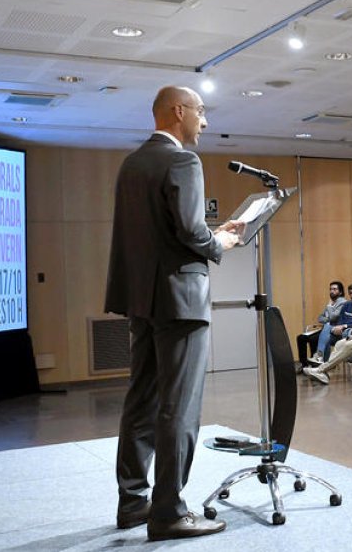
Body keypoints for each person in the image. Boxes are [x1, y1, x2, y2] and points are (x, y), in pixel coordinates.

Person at [106, 85, 243, 540]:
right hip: (181, 302)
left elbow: (160, 231)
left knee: (141, 398)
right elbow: (188, 231)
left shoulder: (132, 163)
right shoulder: (184, 160)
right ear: (178, 111)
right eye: (201, 112)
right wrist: (219, 241)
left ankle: (133, 503)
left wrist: (206, 232)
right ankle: (168, 511)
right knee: (179, 408)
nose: (204, 122)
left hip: (141, 298)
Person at [296, 281, 347, 371]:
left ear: (340, 292)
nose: (331, 291)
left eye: (334, 289)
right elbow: (320, 318)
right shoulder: (331, 303)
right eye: (330, 289)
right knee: (301, 338)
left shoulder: (343, 303)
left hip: (334, 331)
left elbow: (333, 317)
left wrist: (329, 309)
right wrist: (328, 318)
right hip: (325, 329)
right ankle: (304, 365)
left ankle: (316, 365)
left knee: (313, 339)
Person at [310, 283, 352, 365]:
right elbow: (340, 319)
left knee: (327, 327)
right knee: (326, 339)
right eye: (351, 293)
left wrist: (344, 326)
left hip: (351, 332)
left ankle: (320, 358)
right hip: (340, 330)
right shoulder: (347, 304)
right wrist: (337, 327)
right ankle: (322, 363)